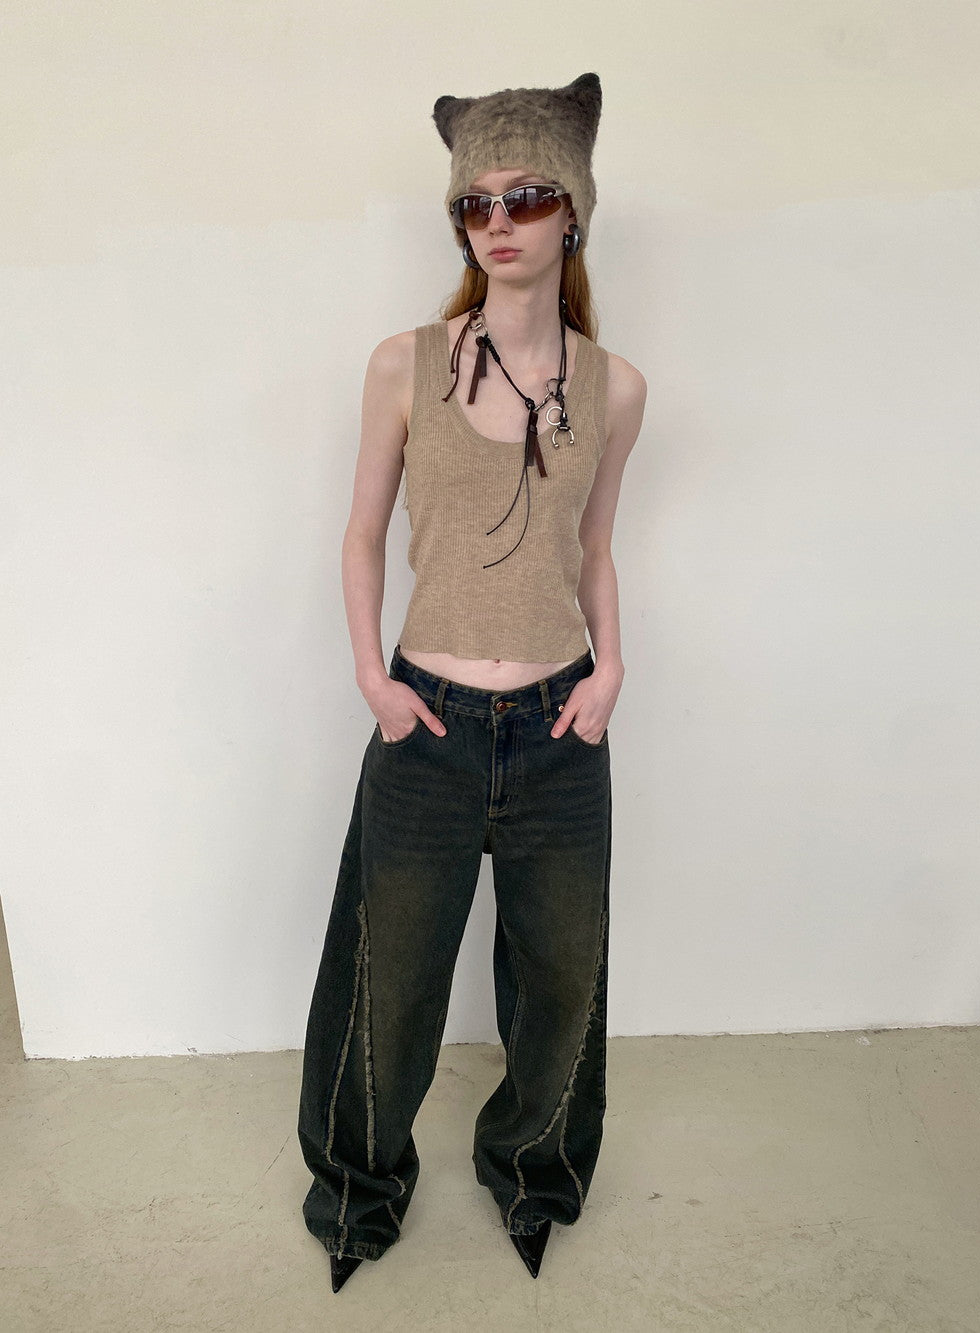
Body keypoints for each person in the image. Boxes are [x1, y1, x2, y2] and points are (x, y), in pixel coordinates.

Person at [297, 71, 647, 1294]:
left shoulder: (615, 387)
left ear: (574, 212)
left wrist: (613, 668)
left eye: (527, 196)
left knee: (561, 981)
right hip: (427, 725)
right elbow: (360, 533)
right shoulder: (404, 365)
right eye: (475, 202)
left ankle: (534, 1175)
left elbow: (594, 549)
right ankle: (357, 1192)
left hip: (561, 726)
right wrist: (371, 676)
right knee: (385, 983)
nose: (499, 221)